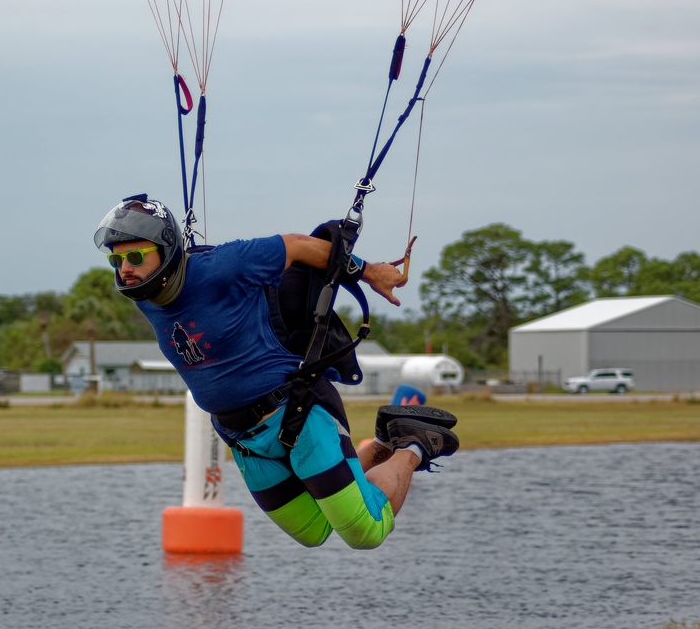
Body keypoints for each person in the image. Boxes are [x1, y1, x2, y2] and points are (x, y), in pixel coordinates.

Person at [94, 195, 459, 549]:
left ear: (168, 249)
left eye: (136, 256)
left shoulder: (225, 265)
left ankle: (412, 443)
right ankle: (381, 445)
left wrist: (367, 272)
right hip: (242, 438)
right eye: (116, 261)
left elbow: (299, 246)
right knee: (313, 531)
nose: (125, 269)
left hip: (295, 415)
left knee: (366, 531)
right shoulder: (146, 295)